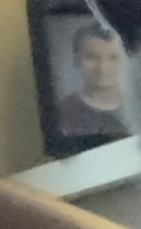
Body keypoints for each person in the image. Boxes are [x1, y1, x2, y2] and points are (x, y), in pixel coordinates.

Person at [51, 23, 130, 156]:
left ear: (127, 61)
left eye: (113, 58)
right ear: (77, 60)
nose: (103, 68)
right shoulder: (62, 112)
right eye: (92, 57)